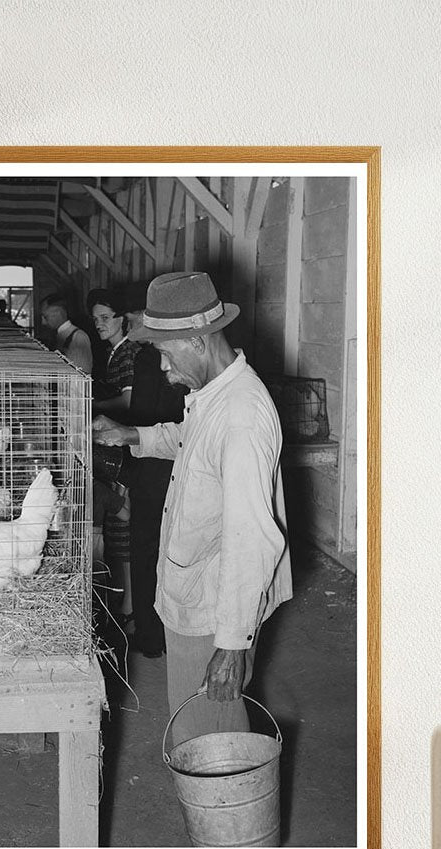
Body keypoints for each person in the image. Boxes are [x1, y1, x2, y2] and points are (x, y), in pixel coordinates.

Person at [93, 271, 293, 745]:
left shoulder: (241, 415)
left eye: (165, 353)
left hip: (215, 605)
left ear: (198, 341)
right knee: (197, 728)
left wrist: (230, 645)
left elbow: (251, 537)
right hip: (196, 590)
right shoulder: (214, 395)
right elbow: (192, 441)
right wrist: (133, 435)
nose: (162, 368)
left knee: (207, 739)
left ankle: (224, 814)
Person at [121, 283, 186, 659]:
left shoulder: (148, 360)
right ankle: (171, 635)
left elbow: (142, 416)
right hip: (181, 467)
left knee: (146, 554)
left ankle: (149, 637)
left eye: (132, 321)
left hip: (152, 473)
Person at [88, 288, 140, 633]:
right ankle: (126, 606)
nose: (99, 325)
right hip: (117, 444)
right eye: (95, 320)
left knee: (126, 534)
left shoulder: (128, 353)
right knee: (119, 533)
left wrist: (90, 407)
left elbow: (129, 403)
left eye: (106, 318)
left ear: (123, 318)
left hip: (129, 447)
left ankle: (131, 609)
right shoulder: (112, 352)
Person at [40, 293, 93, 373]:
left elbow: (82, 376)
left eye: (45, 317)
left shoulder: (78, 337)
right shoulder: (58, 335)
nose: (43, 322)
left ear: (58, 313)